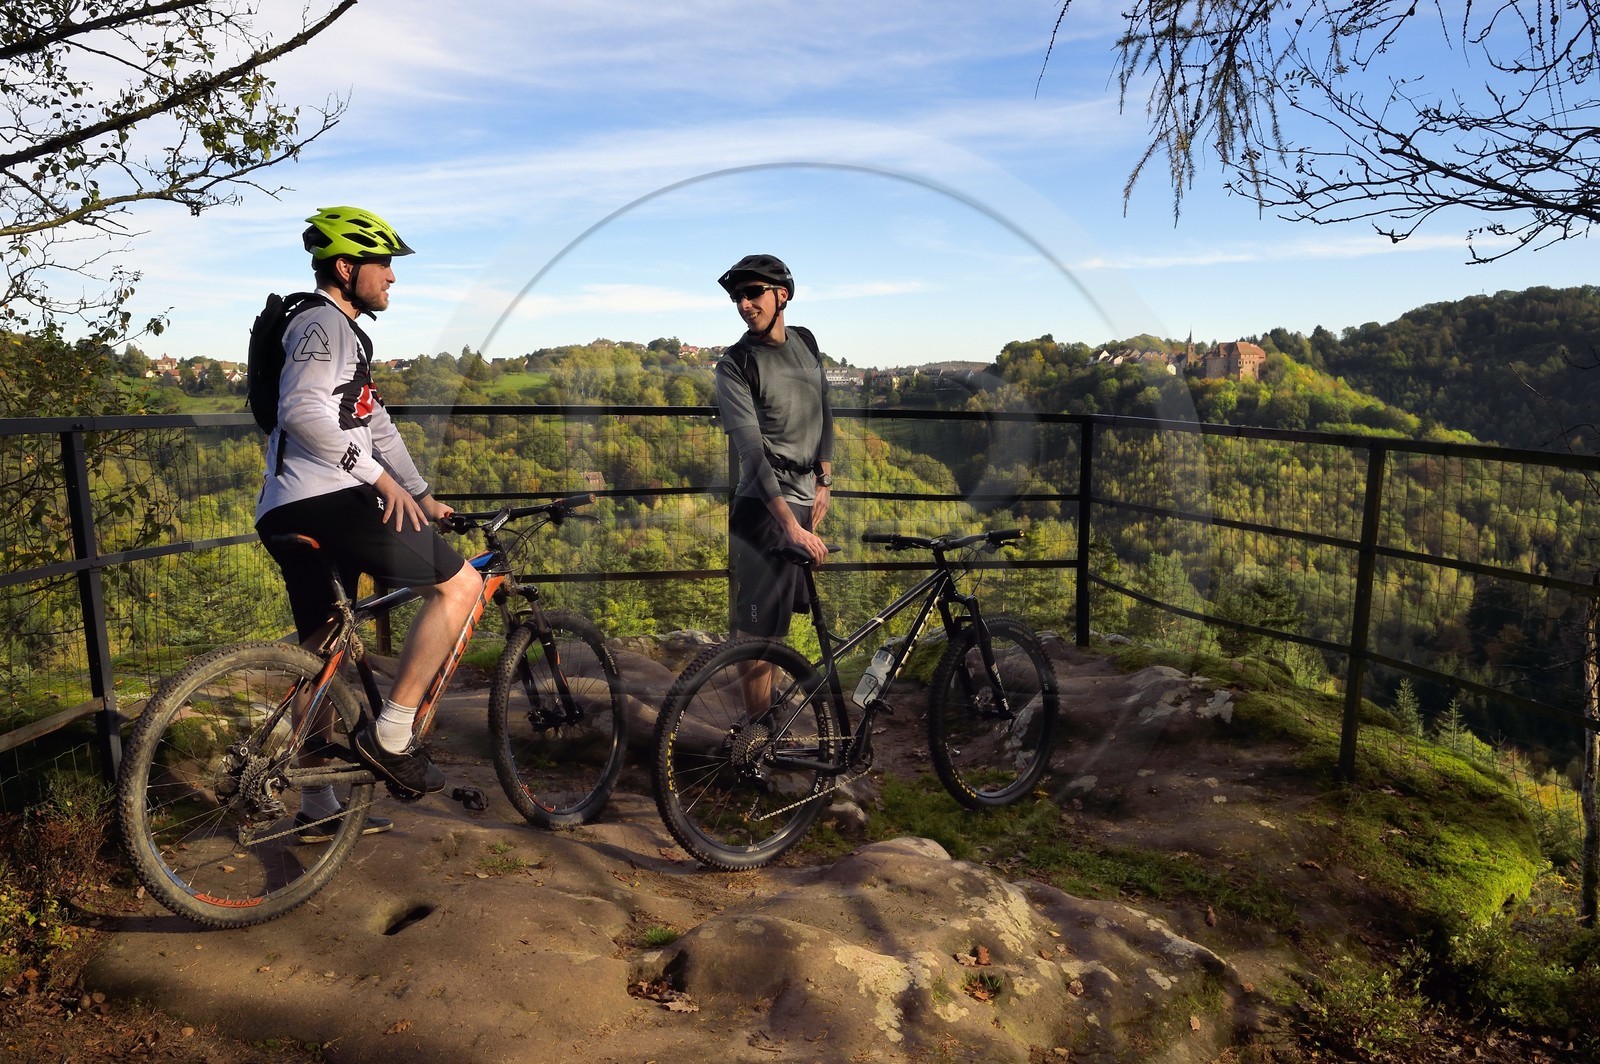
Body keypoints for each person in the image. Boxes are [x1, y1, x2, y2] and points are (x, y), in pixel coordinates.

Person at [254, 206, 483, 835]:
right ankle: (395, 730)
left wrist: (419, 492)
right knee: (461, 586)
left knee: (322, 648)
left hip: (285, 507)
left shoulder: (345, 333)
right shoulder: (324, 324)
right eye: (384, 265)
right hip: (326, 499)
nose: (391, 278)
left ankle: (316, 804)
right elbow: (302, 412)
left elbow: (372, 421)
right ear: (347, 267)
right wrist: (382, 483)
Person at [713, 254, 834, 718]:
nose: (744, 304)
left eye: (753, 293)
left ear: (782, 294)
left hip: (802, 501)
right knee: (759, 630)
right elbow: (751, 453)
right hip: (764, 511)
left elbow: (823, 410)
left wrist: (824, 479)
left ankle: (768, 719)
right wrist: (790, 525)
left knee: (779, 626)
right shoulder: (735, 365)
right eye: (737, 297)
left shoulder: (805, 341)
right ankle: (757, 730)